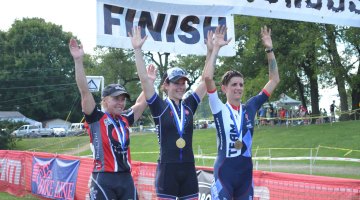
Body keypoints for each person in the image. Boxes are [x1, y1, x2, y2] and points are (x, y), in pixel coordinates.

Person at [128, 25, 217, 199]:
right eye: (176, 82)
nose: (180, 86)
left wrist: (211, 52)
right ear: (166, 85)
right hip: (167, 170)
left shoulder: (190, 105)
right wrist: (137, 49)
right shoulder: (159, 106)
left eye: (183, 83)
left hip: (188, 169)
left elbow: (207, 79)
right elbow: (144, 80)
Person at [69, 38, 156, 200]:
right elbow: (84, 91)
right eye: (116, 99)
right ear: (105, 100)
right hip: (104, 178)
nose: (121, 103)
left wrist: (149, 82)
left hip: (126, 179)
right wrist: (78, 60)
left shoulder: (125, 118)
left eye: (123, 99)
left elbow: (141, 102)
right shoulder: (95, 118)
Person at [204, 26, 279, 199]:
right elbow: (208, 78)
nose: (238, 88)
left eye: (241, 84)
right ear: (224, 88)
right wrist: (215, 49)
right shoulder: (218, 108)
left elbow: (274, 80)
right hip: (224, 173)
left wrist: (269, 48)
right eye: (234, 85)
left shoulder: (250, 107)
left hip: (245, 174)